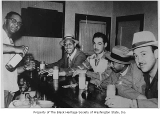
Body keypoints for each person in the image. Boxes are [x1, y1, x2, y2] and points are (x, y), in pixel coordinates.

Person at [105, 31, 158, 108]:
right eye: (136, 56)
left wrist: (133, 103)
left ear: (156, 53)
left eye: (143, 54)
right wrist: (139, 97)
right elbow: (120, 85)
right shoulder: (137, 69)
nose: (139, 60)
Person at [2, 11, 35, 108]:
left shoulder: (9, 41)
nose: (16, 25)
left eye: (19, 23)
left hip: (8, 89)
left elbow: (10, 69)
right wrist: (16, 49)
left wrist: (25, 67)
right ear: (5, 21)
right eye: (13, 21)